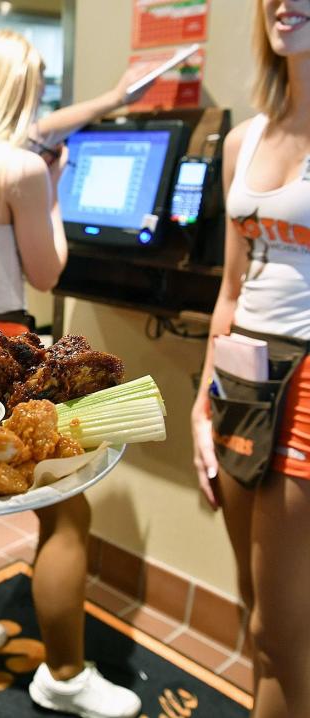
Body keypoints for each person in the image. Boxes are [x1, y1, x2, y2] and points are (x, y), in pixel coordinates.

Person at [0, 30, 154, 718]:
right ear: (18, 91)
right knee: (67, 515)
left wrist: (109, 100)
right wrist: (55, 188)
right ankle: (66, 677)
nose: (43, 101)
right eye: (39, 86)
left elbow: (43, 128)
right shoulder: (20, 172)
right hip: (8, 347)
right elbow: (48, 272)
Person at [191, 2, 310, 716]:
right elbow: (231, 291)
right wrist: (205, 399)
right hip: (240, 373)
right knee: (253, 609)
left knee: (281, 629)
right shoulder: (243, 139)